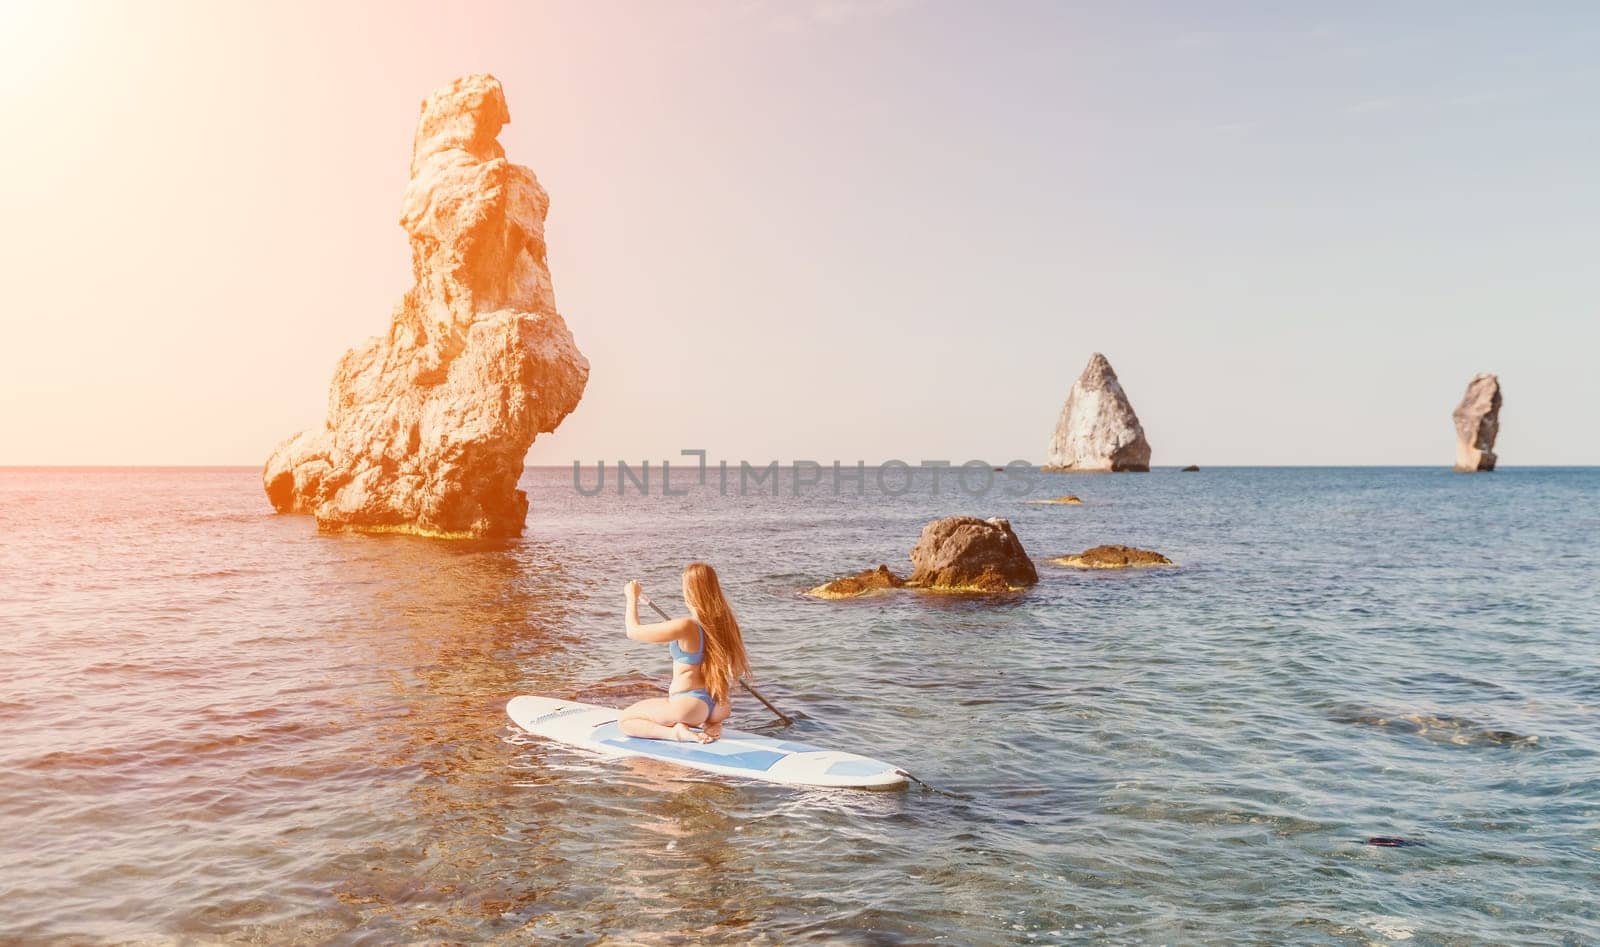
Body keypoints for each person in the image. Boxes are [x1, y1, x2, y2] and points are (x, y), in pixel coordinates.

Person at [618, 562, 750, 743]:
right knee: (682, 714)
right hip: (719, 705)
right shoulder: (727, 625)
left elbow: (633, 631)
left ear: (690, 591)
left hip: (690, 705)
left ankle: (675, 733)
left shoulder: (686, 626)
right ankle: (712, 724)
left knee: (626, 720)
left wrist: (631, 597)